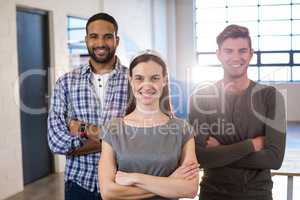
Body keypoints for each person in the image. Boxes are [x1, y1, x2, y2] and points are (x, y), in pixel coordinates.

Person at [189, 24, 286, 200]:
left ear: (251, 54)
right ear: (218, 54)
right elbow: (202, 157)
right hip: (213, 193)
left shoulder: (270, 96)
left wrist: (221, 150)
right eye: (228, 51)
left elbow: (274, 159)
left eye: (242, 51)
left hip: (257, 194)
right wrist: (251, 145)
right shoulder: (201, 97)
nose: (236, 57)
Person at [98, 50, 199, 200]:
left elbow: (190, 189)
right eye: (139, 78)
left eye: (154, 78)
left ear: (164, 80)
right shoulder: (113, 129)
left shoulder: (181, 129)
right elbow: (108, 192)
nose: (147, 85)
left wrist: (135, 178)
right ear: (130, 80)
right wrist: (170, 182)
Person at [47, 13, 128, 200]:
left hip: (124, 184)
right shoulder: (66, 83)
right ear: (86, 40)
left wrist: (82, 128)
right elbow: (56, 140)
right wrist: (113, 142)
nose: (100, 43)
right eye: (94, 36)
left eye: (108, 36)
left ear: (117, 40)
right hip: (79, 185)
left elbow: (140, 138)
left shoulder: (134, 80)